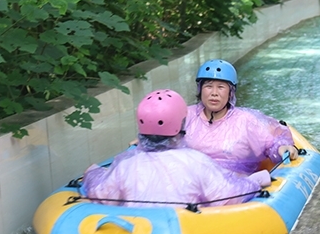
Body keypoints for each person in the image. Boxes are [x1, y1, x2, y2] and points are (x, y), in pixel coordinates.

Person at [82, 89, 271, 208]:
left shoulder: (126, 164)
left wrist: (92, 172)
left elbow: (100, 192)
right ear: (181, 122)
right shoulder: (196, 162)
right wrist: (254, 182)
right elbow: (228, 196)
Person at [184, 59, 299, 175]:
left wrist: (282, 148)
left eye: (221, 87)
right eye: (208, 86)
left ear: (231, 92)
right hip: (192, 179)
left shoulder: (245, 120)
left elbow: (271, 145)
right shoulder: (186, 115)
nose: (214, 93)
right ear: (200, 90)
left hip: (234, 181)